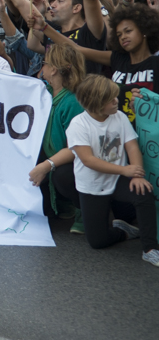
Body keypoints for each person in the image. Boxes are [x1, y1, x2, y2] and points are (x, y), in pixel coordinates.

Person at [66, 75, 159, 265]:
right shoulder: (78, 124)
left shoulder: (120, 117)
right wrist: (124, 170)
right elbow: (88, 160)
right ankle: (125, 232)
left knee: (144, 192)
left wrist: (137, 174)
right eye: (111, 99)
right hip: (93, 185)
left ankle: (150, 248)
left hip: (117, 179)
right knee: (98, 242)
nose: (117, 100)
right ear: (96, 104)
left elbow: (132, 146)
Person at [36, 4, 159, 125]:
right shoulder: (117, 58)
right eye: (119, 35)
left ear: (144, 30)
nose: (123, 37)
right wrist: (44, 27)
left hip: (149, 132)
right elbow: (76, 49)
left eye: (128, 31)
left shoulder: (156, 63)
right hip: (118, 131)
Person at [27, 44, 87, 233]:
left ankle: (83, 209)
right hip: (51, 157)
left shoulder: (73, 102)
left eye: (44, 63)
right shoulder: (44, 91)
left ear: (53, 69)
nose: (41, 68)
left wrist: (46, 166)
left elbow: (76, 148)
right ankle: (62, 203)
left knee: (63, 175)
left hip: (75, 162)